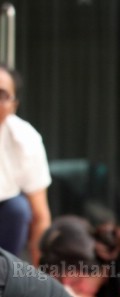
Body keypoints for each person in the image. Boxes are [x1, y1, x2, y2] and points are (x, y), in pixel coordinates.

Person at [0, 66, 51, 266]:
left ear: (14, 104)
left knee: (18, 210)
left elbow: (40, 216)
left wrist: (41, 279)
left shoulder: (25, 139)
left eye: (2, 94)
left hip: (4, 218)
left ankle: (5, 280)